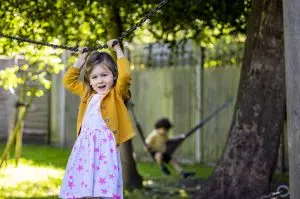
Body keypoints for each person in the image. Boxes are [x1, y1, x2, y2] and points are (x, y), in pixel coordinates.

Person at [59, 39, 135, 199]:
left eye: (104, 75)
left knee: (101, 189)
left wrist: (117, 50)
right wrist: (81, 59)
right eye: (94, 77)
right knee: (84, 189)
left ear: (114, 76)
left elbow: (126, 75)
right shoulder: (88, 93)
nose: (99, 80)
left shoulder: (116, 94)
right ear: (90, 80)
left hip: (104, 149)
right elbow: (68, 81)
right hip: (85, 147)